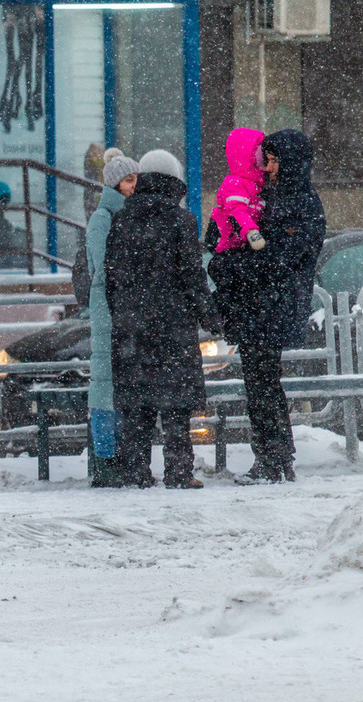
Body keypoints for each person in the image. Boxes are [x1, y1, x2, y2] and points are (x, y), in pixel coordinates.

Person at [208, 130, 325, 484]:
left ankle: (272, 460)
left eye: (274, 161)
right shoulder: (274, 196)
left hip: (271, 307)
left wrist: (226, 267)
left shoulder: (299, 203)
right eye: (266, 160)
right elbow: (223, 237)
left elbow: (276, 260)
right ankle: (276, 457)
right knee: (262, 383)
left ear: (289, 163)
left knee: (262, 385)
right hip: (261, 306)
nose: (268, 168)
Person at [105, 149, 221, 489]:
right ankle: (178, 472)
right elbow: (192, 276)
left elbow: (111, 278)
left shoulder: (121, 220)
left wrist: (125, 314)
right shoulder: (180, 221)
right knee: (175, 405)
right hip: (172, 326)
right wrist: (210, 316)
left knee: (137, 405)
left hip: (132, 327)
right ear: (174, 182)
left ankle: (137, 473)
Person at [85, 149, 138, 488]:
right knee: (104, 389)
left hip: (122, 309)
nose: (135, 186)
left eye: (136, 179)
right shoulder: (102, 219)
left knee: (120, 388)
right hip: (109, 309)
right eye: (129, 180)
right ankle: (105, 461)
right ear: (115, 184)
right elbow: (104, 269)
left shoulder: (125, 216)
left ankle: (118, 458)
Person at [210, 128, 268, 253]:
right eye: (258, 151)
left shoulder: (259, 184)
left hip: (241, 245)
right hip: (229, 244)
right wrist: (252, 232)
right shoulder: (236, 183)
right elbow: (236, 211)